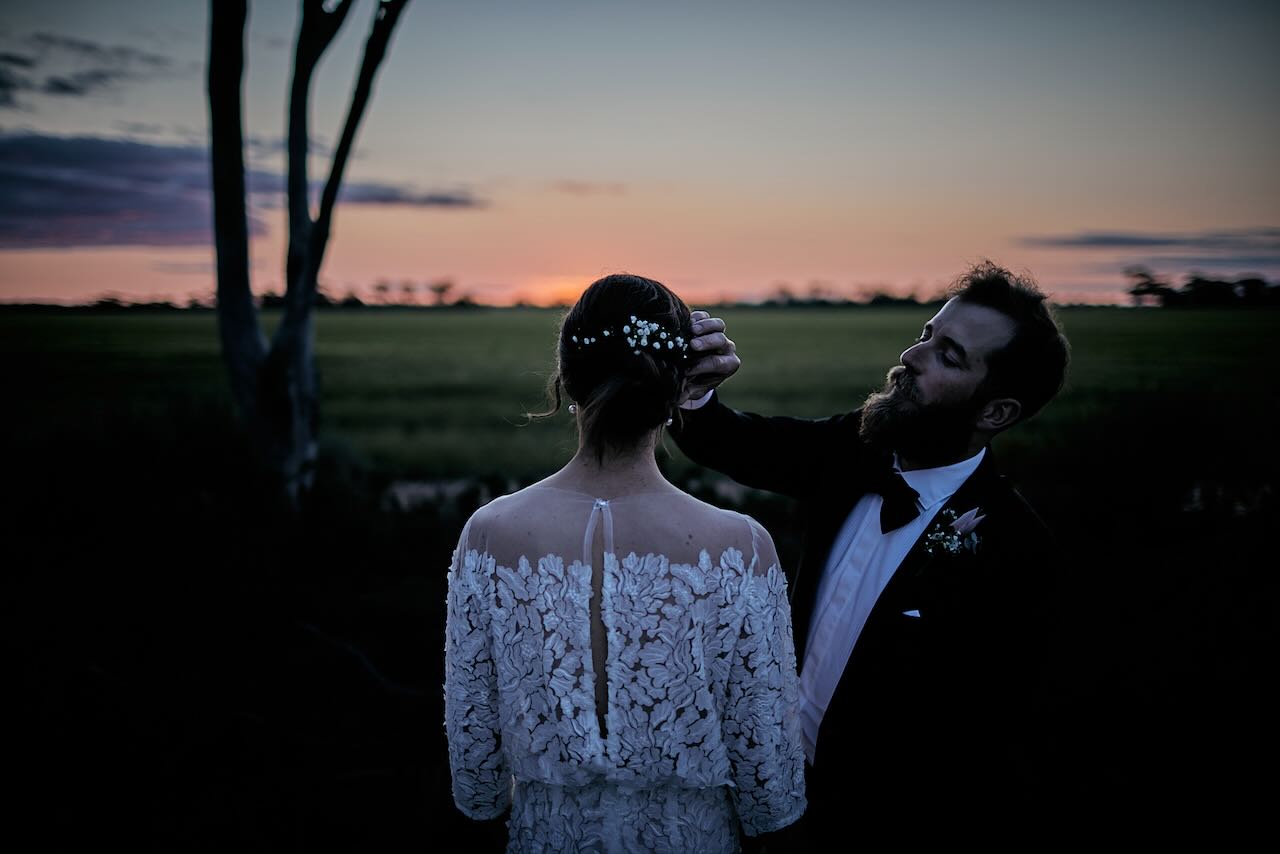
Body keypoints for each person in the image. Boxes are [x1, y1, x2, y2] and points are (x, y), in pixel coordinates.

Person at [672, 261, 1071, 838]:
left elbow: (993, 743)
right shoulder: (856, 448)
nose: (912, 356)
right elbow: (736, 442)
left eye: (948, 356)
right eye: (925, 335)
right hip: (770, 786)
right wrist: (696, 382)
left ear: (995, 412)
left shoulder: (1018, 554)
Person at [444, 274, 806, 853]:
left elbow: (475, 770)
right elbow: (770, 779)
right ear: (680, 386)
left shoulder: (489, 535)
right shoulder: (742, 546)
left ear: (565, 380)